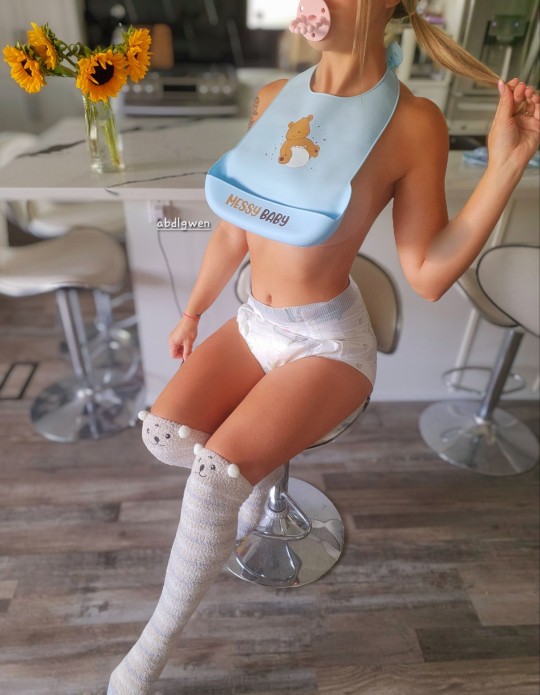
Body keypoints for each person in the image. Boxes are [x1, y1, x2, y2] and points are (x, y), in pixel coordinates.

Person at [108, 1, 539, 692]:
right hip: (255, 323)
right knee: (163, 435)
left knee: (212, 481)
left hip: (327, 343)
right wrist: (192, 311)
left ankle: (149, 652)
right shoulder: (274, 96)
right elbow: (234, 225)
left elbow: (428, 274)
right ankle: (256, 480)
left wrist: (506, 164)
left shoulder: (413, 122)